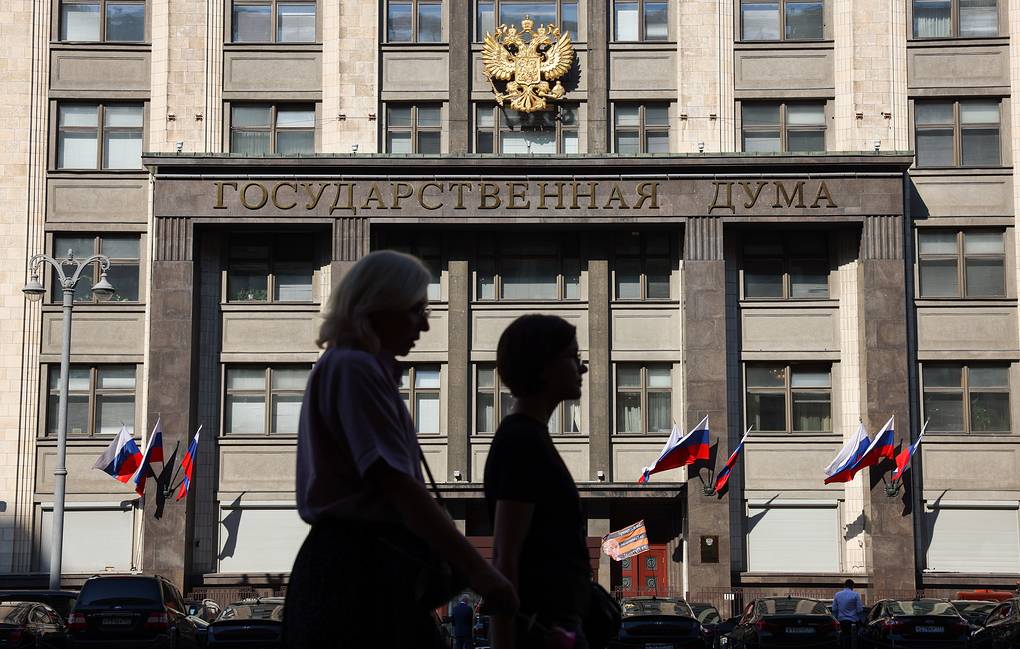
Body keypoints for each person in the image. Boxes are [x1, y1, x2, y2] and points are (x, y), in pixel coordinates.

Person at [283, 250, 517, 649]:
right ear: (377, 307)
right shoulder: (355, 368)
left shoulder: (347, 367)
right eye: (415, 311)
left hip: (353, 569)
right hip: (361, 576)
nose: (424, 324)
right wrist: (481, 573)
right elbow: (397, 484)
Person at [484, 314, 593, 649]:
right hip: (544, 633)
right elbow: (505, 554)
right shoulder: (521, 442)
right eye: (573, 357)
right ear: (544, 367)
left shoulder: (530, 437)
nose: (582, 368)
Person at [832, 578, 863, 649]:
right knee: (853, 640)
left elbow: (834, 609)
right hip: (853, 622)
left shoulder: (837, 594)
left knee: (843, 639)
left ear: (844, 585)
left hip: (841, 621)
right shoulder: (856, 595)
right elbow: (860, 610)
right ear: (852, 586)